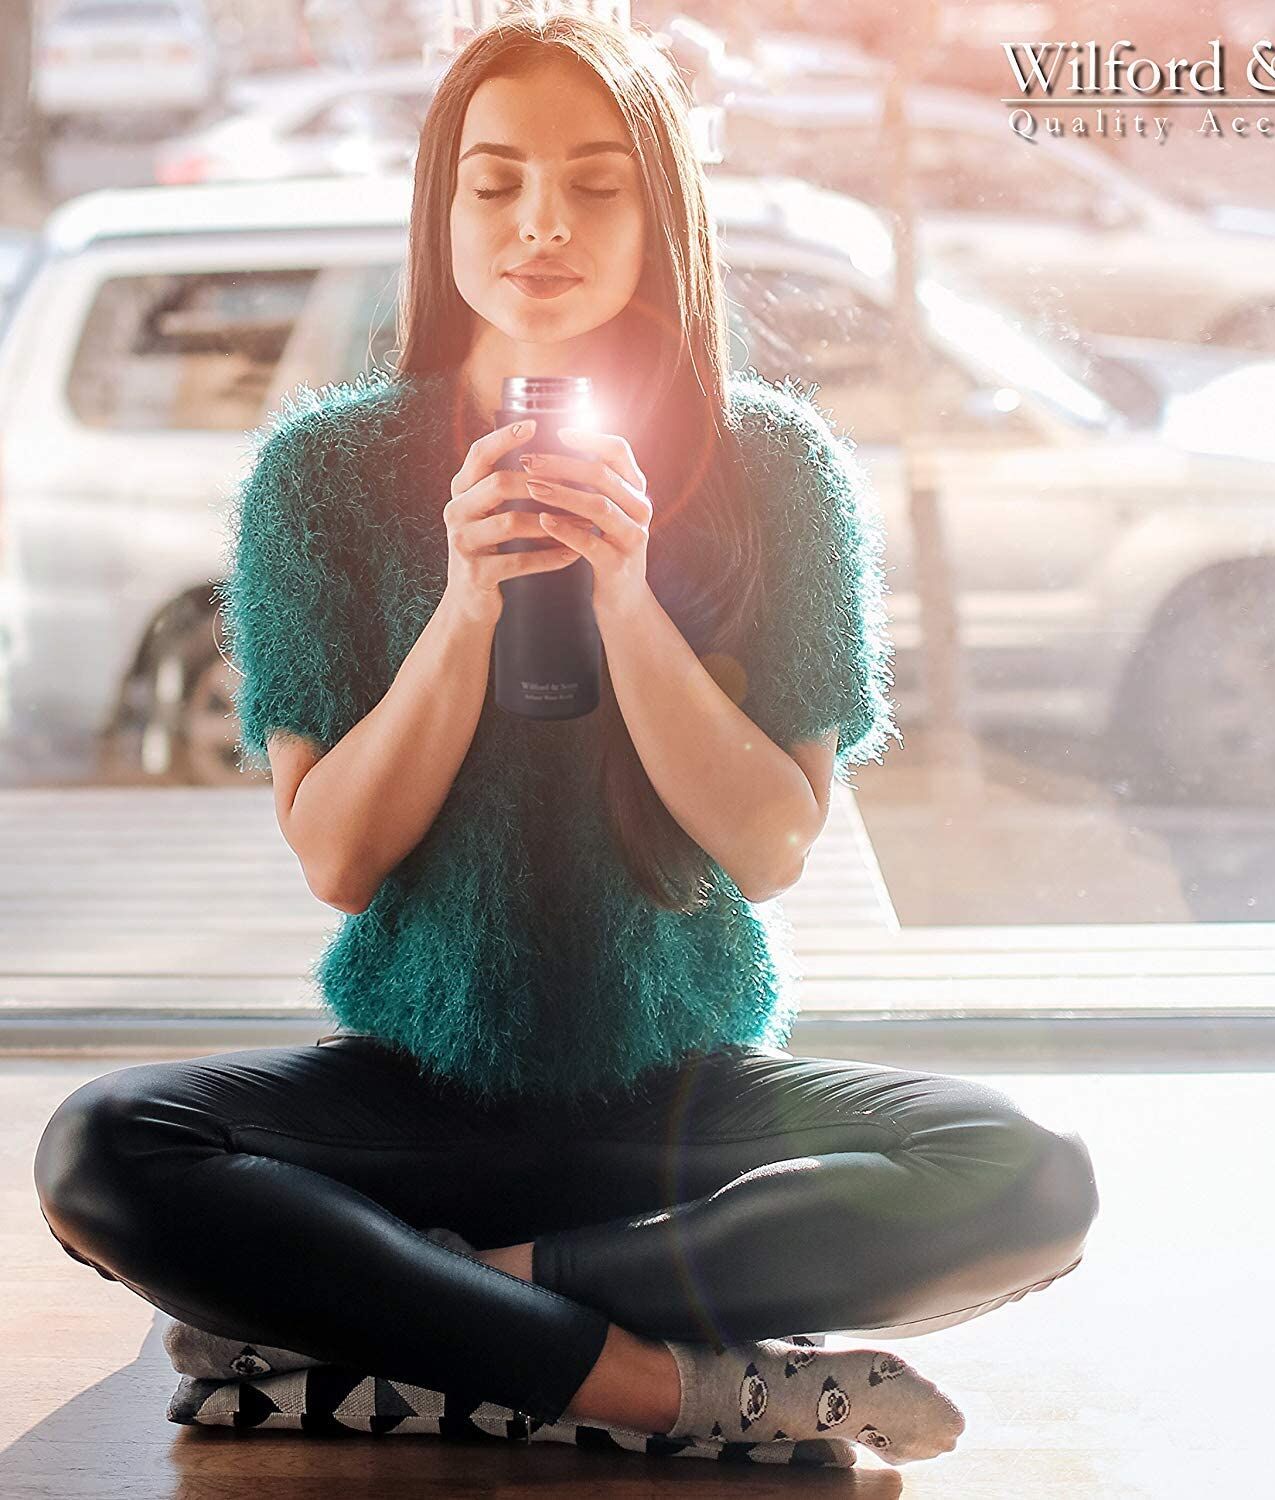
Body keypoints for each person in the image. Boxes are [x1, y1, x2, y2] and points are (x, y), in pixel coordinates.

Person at [31, 10, 1099, 1469]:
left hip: (681, 1101)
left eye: (597, 184)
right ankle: (692, 1393)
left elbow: (771, 845)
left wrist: (624, 593)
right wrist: (465, 608)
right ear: (444, 208)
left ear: (661, 212)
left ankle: (409, 1312)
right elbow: (340, 854)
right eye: (496, 181)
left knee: (1025, 1179)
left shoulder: (774, 465)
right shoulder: (325, 474)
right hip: (415, 1094)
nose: (542, 223)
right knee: (103, 1150)